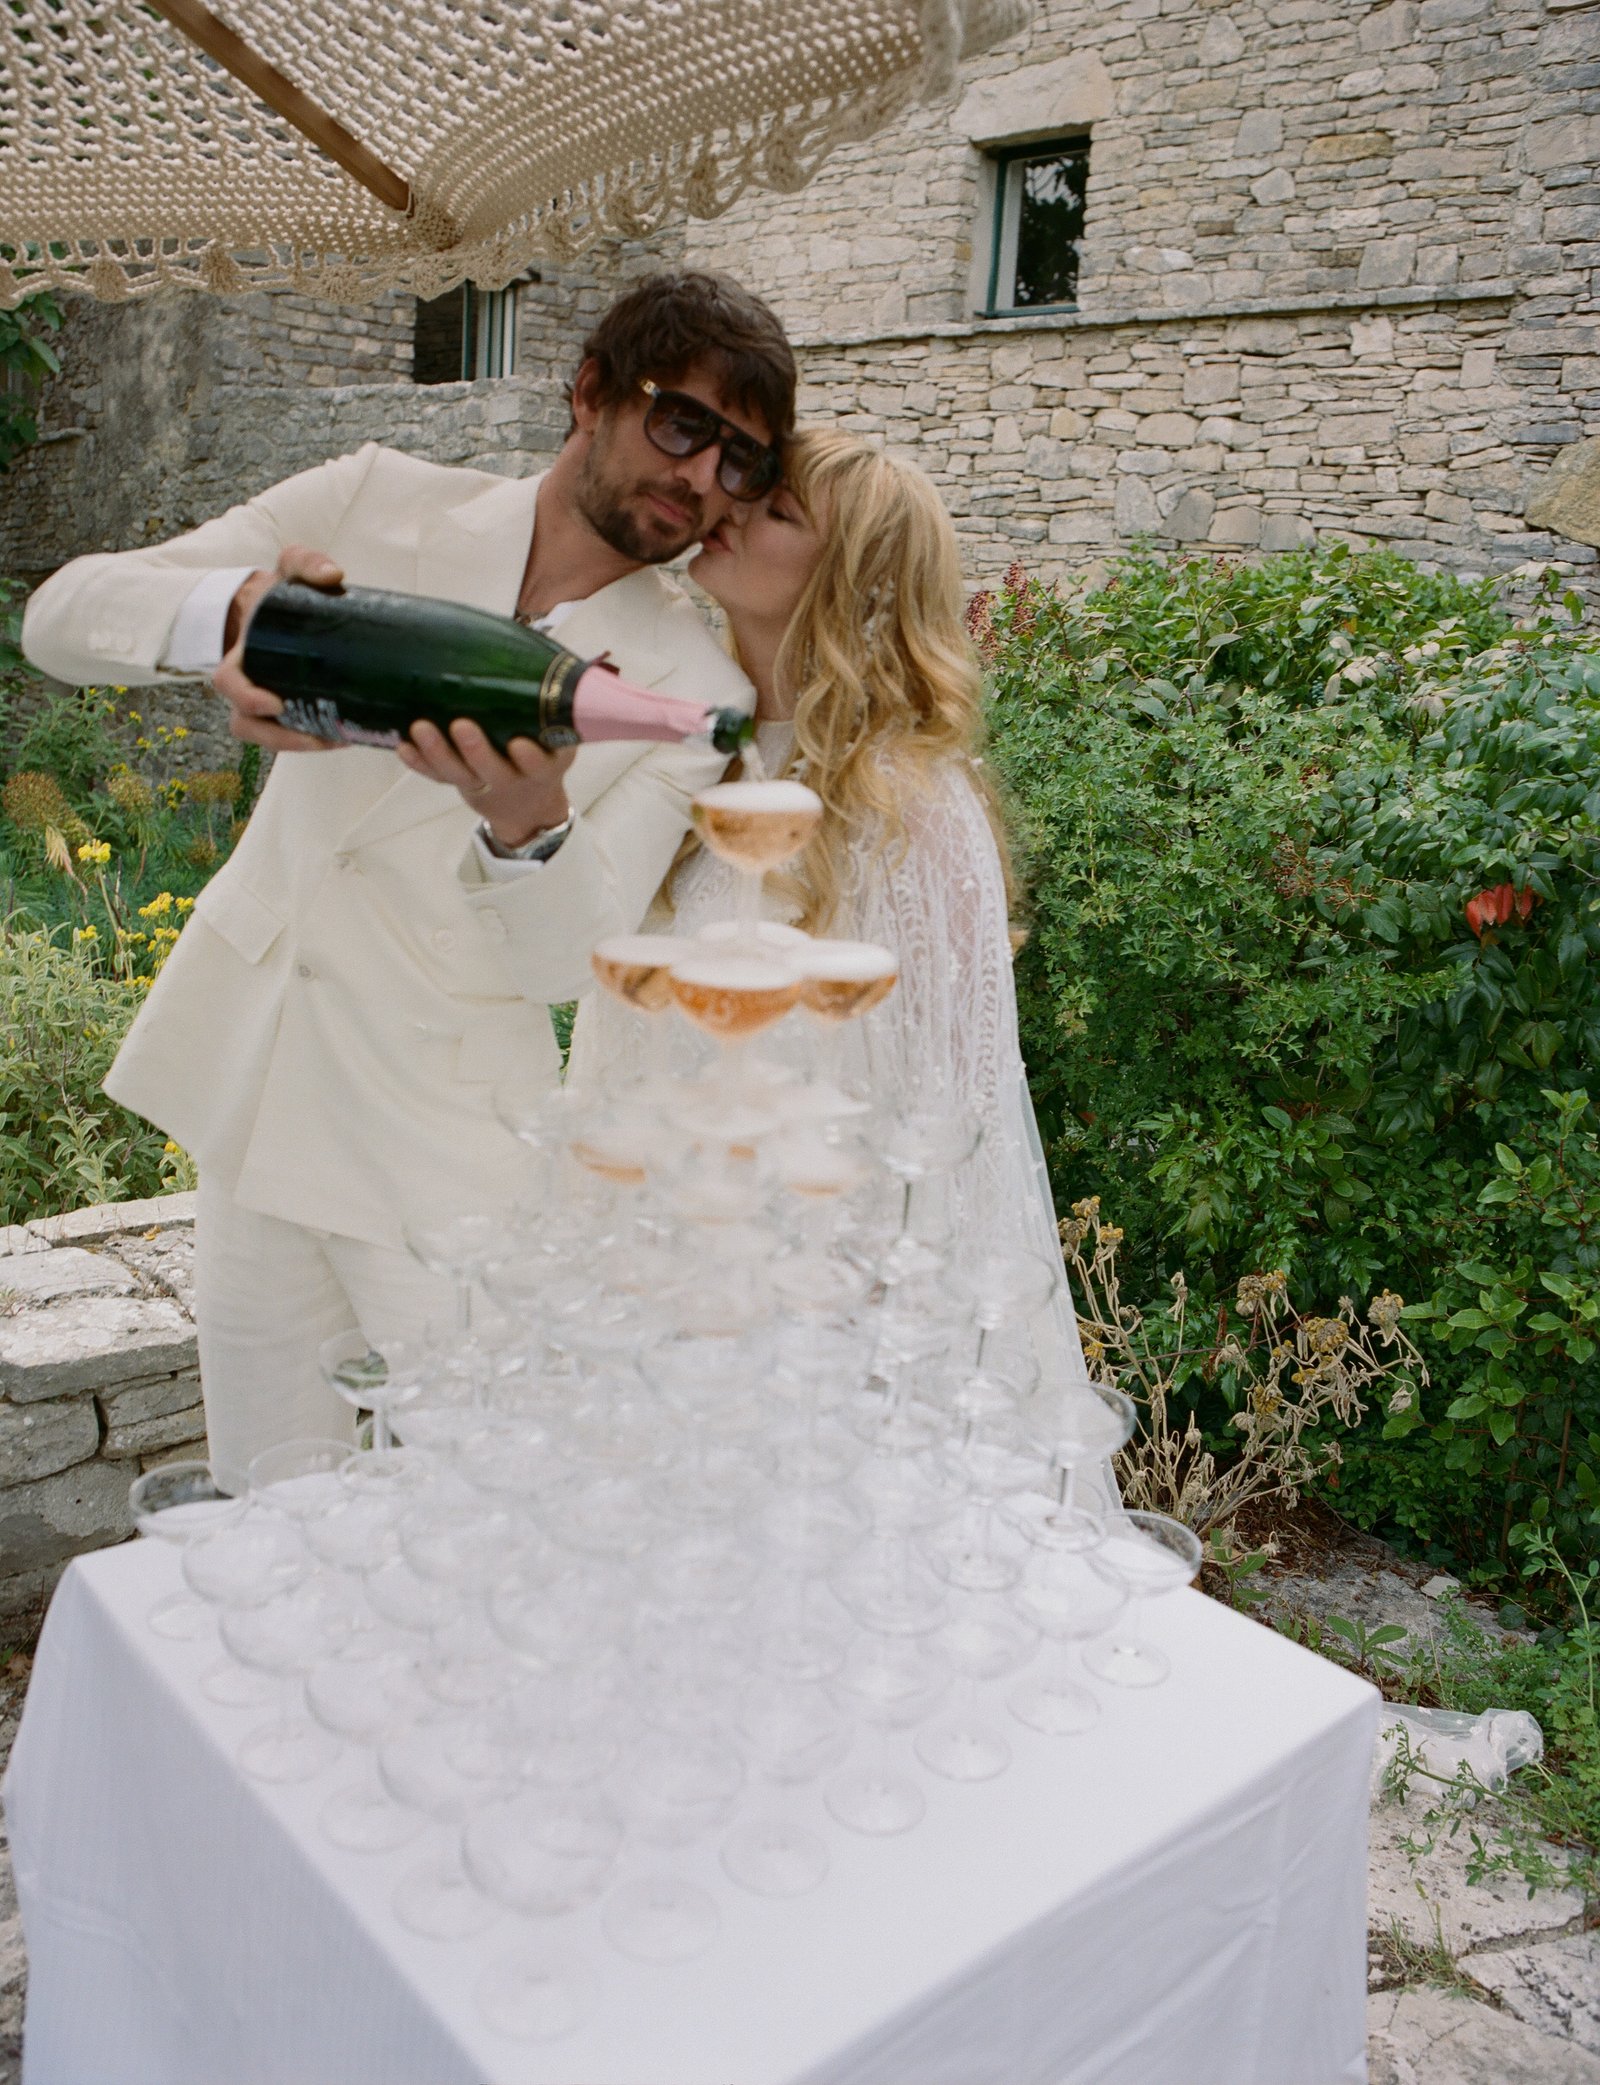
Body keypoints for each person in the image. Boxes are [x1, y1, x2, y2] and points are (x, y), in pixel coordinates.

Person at [21, 270, 797, 1491]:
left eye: (740, 459)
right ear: (590, 392)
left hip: (452, 1151)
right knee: (266, 1503)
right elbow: (61, 617)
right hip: (261, 1082)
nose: (702, 475)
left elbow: (571, 963)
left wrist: (527, 825)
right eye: (680, 423)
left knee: (500, 1502)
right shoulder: (376, 499)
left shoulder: (693, 690)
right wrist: (230, 619)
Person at [571, 429, 1090, 1384]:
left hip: (820, 1327)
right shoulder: (685, 753)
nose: (726, 511)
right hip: (651, 1279)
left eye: (774, 511)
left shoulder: (912, 804)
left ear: (849, 577)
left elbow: (955, 1119)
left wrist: (872, 1359)